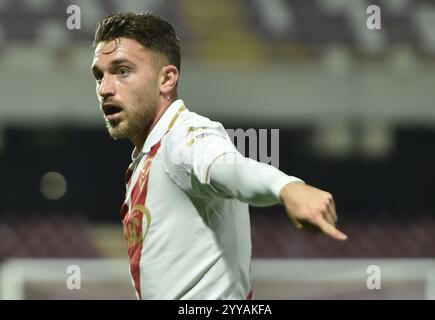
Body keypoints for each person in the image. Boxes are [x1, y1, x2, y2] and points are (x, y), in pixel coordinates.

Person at [91, 12, 348, 300]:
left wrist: (286, 187)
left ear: (167, 79)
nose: (104, 88)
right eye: (99, 75)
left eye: (122, 71)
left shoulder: (184, 137)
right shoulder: (150, 154)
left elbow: (226, 167)